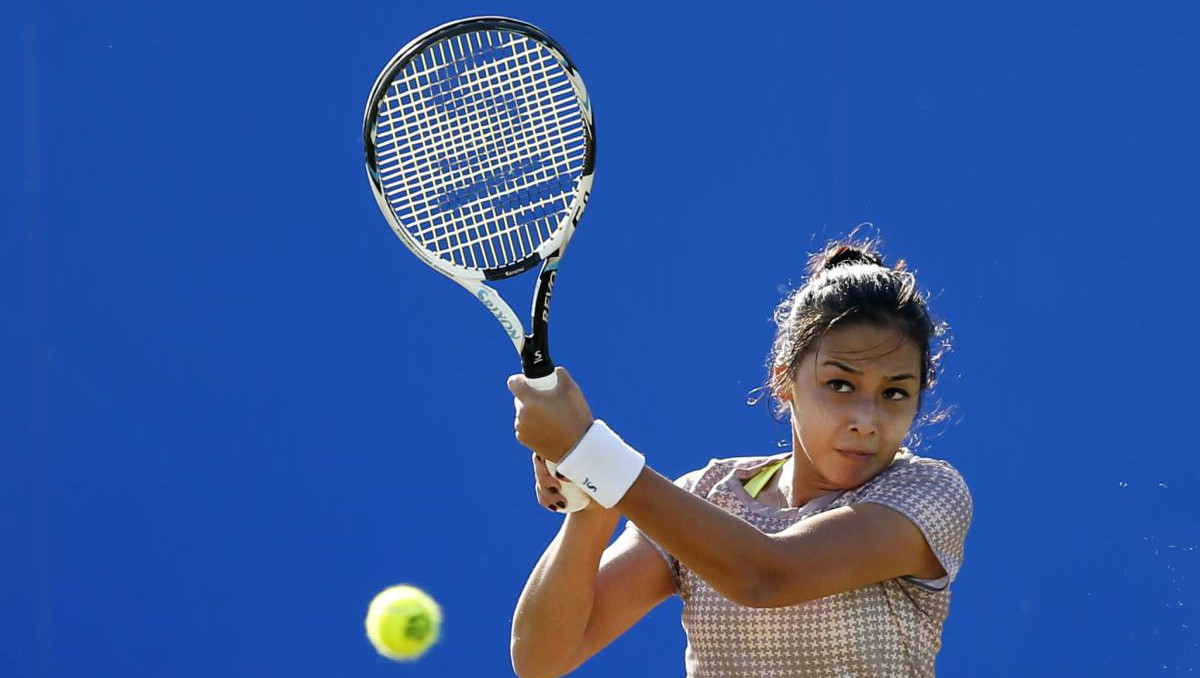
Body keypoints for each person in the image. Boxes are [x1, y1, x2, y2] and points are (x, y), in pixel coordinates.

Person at [506, 236, 973, 678]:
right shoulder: (708, 494)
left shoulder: (928, 494)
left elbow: (768, 575)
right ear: (785, 380)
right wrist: (592, 499)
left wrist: (593, 456)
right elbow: (543, 657)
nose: (866, 420)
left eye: (895, 392)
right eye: (840, 384)